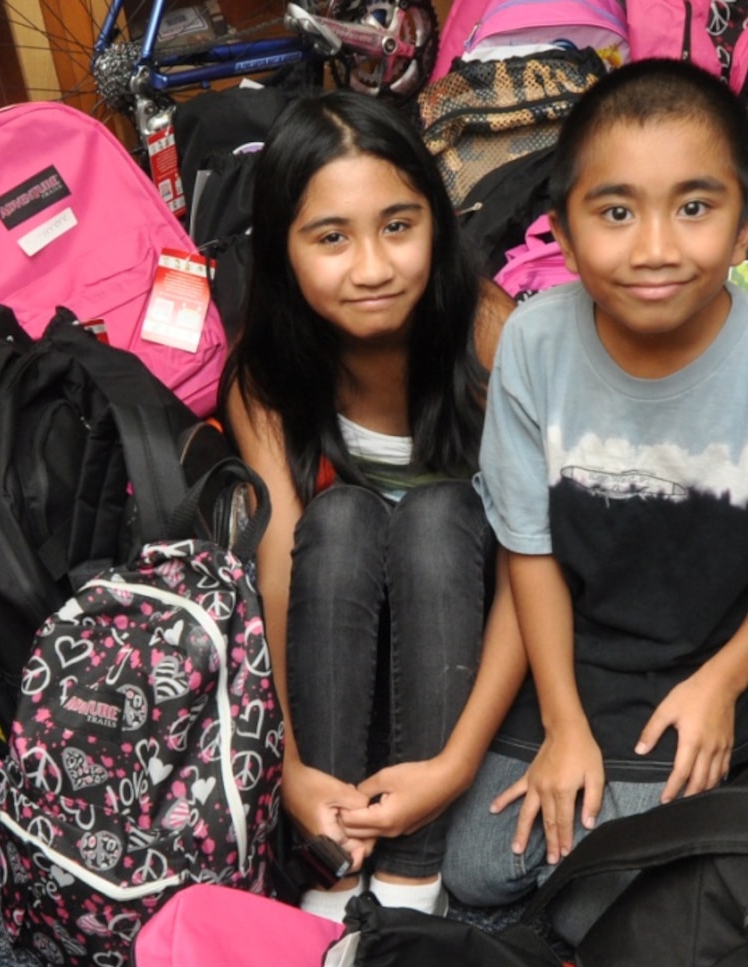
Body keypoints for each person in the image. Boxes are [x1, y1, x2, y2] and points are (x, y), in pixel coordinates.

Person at [442, 59, 748, 904]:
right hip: (559, 657)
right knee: (480, 872)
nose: (655, 248)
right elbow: (527, 547)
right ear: (563, 237)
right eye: (615, 212)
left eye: (693, 208)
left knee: (609, 903)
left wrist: (722, 682)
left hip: (692, 664)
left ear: (746, 226)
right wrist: (564, 720)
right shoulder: (533, 342)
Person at [222, 92, 522, 919]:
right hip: (341, 640)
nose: (373, 267)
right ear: (282, 254)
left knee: (436, 516)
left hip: (475, 634)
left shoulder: (491, 331)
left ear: (436, 220)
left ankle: (413, 871)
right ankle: (337, 857)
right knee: (343, 517)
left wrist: (456, 766)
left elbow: (540, 564)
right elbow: (279, 562)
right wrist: (287, 765)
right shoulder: (267, 374)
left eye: (398, 225)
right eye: (331, 238)